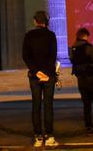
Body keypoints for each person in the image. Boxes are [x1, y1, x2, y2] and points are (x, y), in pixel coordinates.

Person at [22, 10, 58, 147]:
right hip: (48, 76)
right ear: (46, 21)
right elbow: (52, 56)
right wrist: (46, 73)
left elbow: (25, 56)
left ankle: (38, 137)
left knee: (36, 105)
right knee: (48, 105)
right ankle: (49, 136)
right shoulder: (51, 35)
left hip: (34, 76)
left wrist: (36, 72)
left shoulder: (28, 36)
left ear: (35, 21)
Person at [70, 28, 93, 134]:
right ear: (85, 36)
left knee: (86, 103)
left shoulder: (73, 48)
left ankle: (88, 125)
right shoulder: (89, 47)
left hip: (81, 79)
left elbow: (73, 61)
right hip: (91, 78)